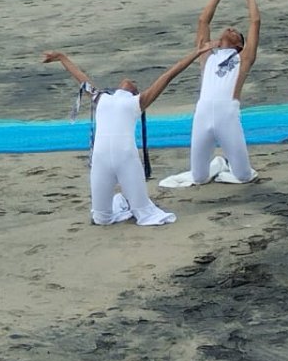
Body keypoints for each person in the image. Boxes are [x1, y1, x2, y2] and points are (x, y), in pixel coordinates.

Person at [42, 43, 212, 226]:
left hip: (127, 161)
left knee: (144, 213)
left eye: (135, 85)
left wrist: (195, 54)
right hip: (101, 162)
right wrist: (61, 57)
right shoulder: (102, 98)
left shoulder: (137, 103)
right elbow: (81, 78)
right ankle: (122, 202)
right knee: (101, 218)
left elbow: (168, 75)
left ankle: (129, 202)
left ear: (135, 93)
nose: (128, 80)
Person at [160, 0, 262, 188]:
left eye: (236, 32)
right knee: (198, 177)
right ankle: (218, 164)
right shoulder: (207, 55)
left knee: (243, 176)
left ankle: (225, 165)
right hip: (203, 114)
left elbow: (255, 23)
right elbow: (203, 22)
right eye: (230, 29)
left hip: (228, 115)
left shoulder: (242, 59)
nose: (231, 28)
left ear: (240, 45)